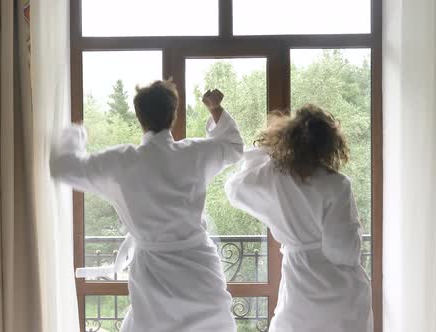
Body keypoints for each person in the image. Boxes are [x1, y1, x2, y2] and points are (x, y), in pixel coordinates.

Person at [51, 81, 242, 332]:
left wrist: (75, 135)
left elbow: (65, 168)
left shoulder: (123, 162)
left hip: (153, 273)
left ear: (139, 116)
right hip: (199, 266)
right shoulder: (194, 153)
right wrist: (215, 109)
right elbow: (234, 147)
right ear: (173, 115)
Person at [225, 105, 373, 332]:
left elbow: (235, 188)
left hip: (299, 281)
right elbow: (342, 251)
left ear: (289, 138)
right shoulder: (336, 184)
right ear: (329, 144)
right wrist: (356, 231)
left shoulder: (275, 176)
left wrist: (265, 152)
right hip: (339, 290)